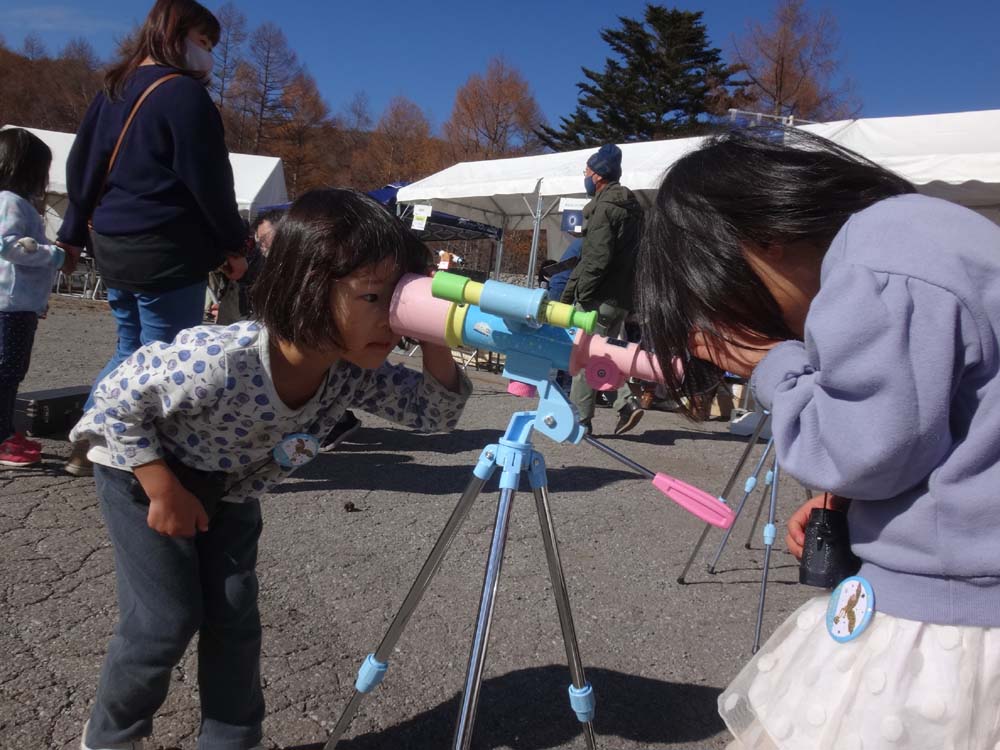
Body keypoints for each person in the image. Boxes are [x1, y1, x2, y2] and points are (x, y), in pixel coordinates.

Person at [69, 188, 471, 750]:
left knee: (234, 618)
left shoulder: (351, 369)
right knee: (165, 618)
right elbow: (113, 400)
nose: (393, 321)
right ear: (307, 290)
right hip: (142, 471)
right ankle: (110, 737)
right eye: (374, 297)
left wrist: (436, 332)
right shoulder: (221, 358)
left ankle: (231, 740)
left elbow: (434, 413)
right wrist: (160, 486)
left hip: (229, 490)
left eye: (401, 301)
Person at [636, 129, 1000, 749]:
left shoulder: (872, 260)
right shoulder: (929, 235)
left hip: (950, 621)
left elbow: (864, 452)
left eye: (730, 299)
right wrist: (864, 511)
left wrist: (768, 362)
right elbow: (952, 436)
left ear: (761, 239)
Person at [57, 0, 249, 478]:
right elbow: (210, 180)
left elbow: (82, 166)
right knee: (167, 359)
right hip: (166, 246)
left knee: (131, 349)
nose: (206, 54)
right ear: (174, 32)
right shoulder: (183, 95)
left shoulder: (112, 91)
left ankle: (93, 432)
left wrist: (73, 230)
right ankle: (142, 458)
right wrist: (234, 244)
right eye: (201, 41)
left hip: (114, 244)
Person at [0, 129, 80, 467]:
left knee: (11, 370)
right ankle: (2, 437)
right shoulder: (11, 201)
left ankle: (5, 430)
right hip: (10, 305)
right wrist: (55, 255)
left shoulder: (15, 202)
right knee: (7, 371)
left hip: (19, 304)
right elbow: (7, 244)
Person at [561, 144, 645, 435]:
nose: (584, 177)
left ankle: (579, 420)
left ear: (597, 175)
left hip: (599, 296)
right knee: (601, 356)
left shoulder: (604, 209)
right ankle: (625, 404)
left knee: (582, 353)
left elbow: (595, 258)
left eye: (586, 171)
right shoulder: (633, 210)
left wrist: (580, 295)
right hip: (620, 297)